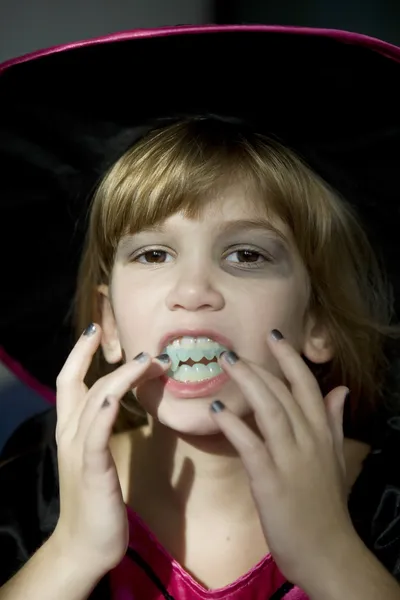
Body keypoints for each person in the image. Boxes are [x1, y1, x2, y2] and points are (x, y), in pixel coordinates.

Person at [0, 25, 400, 600]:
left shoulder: (388, 497)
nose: (192, 290)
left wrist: (331, 554)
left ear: (319, 322)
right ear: (107, 322)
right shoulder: (33, 489)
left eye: (245, 254)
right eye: (154, 253)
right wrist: (71, 552)